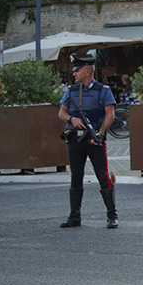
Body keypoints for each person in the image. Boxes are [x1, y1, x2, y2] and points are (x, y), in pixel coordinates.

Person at [58, 54, 118, 228]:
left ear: (86, 71)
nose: (74, 74)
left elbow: (110, 114)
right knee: (76, 176)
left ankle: (112, 216)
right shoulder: (71, 90)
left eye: (76, 71)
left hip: (94, 139)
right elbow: (61, 112)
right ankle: (74, 216)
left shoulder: (103, 90)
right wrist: (72, 120)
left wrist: (100, 133)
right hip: (75, 139)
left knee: (102, 176)